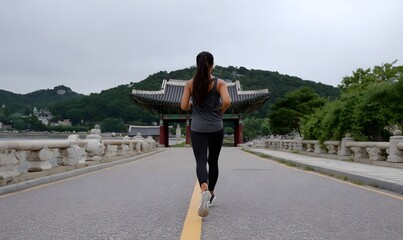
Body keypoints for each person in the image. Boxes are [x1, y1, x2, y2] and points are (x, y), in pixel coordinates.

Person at [181, 51, 231, 217]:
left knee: (201, 160)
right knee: (213, 161)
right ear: (213, 65)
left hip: (197, 128)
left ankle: (203, 188)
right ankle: (210, 193)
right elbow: (227, 101)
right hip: (216, 127)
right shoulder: (219, 83)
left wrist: (194, 104)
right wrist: (220, 111)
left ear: (197, 65)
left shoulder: (190, 84)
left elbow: (183, 106)